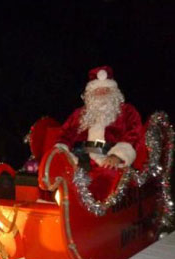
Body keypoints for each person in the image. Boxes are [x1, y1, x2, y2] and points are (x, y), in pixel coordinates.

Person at [56, 66, 143, 200]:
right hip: (79, 156)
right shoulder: (80, 114)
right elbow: (65, 134)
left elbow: (134, 134)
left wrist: (117, 156)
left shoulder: (127, 111)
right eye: (98, 90)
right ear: (90, 93)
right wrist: (63, 153)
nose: (102, 93)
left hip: (109, 156)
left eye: (106, 90)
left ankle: (94, 212)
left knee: (107, 175)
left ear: (114, 92)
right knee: (63, 175)